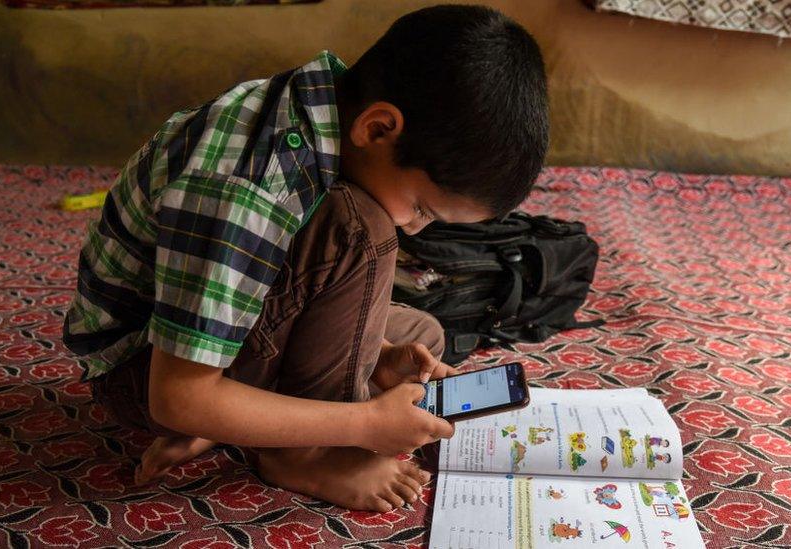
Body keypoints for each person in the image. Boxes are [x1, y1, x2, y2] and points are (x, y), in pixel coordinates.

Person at [62, 4, 548, 512]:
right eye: (422, 208)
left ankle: (240, 422)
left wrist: (376, 352)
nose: (415, 227)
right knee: (360, 231)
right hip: (142, 372)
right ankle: (299, 453)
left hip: (211, 333)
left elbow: (277, 279)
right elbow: (177, 398)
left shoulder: (321, 107)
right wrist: (366, 425)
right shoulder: (252, 183)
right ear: (379, 128)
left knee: (419, 338)